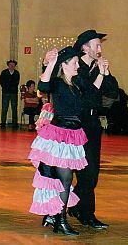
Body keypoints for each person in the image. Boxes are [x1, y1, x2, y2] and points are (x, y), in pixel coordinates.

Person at [29, 46, 105, 236]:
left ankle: (54, 216)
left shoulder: (76, 84)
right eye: (74, 63)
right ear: (64, 65)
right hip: (60, 134)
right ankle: (60, 220)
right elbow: (43, 86)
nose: (78, 65)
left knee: (61, 178)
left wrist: (102, 74)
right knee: (65, 178)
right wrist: (51, 63)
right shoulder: (57, 83)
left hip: (73, 134)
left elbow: (91, 97)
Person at [68, 29, 119, 229]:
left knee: (92, 172)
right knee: (83, 172)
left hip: (92, 125)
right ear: (85, 47)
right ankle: (86, 213)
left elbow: (113, 93)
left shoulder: (98, 67)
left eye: (100, 45)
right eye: (96, 45)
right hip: (74, 124)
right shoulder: (75, 67)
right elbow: (87, 96)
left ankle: (77, 206)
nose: (100, 49)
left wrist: (105, 73)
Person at [0, 59, 20, 129]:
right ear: (8, 65)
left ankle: (15, 123)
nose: (12, 66)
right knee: (4, 108)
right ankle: (3, 123)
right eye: (10, 65)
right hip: (5, 92)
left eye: (13, 65)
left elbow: (17, 82)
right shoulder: (4, 72)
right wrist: (6, 87)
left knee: (14, 108)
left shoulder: (17, 73)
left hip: (14, 93)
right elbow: (1, 81)